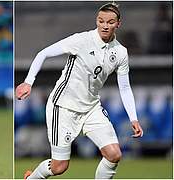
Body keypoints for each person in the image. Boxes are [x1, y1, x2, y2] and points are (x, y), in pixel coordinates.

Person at [16, 2, 143, 179]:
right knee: (60, 167)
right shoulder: (81, 40)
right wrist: (28, 82)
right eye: (101, 21)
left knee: (114, 154)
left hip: (91, 108)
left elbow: (124, 86)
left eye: (110, 22)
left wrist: (134, 118)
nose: (105, 25)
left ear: (118, 24)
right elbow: (43, 53)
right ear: (96, 21)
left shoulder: (121, 52)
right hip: (63, 107)